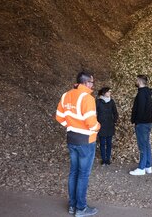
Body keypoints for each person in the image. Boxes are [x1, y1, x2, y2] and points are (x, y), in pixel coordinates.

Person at [56, 71, 100, 217]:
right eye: (92, 82)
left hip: (71, 139)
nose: (93, 85)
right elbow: (91, 122)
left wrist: (71, 126)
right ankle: (81, 208)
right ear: (86, 83)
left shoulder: (66, 95)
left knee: (74, 172)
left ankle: (72, 205)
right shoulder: (87, 98)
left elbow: (59, 117)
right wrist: (97, 127)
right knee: (83, 174)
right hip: (86, 141)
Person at [129, 75, 152, 176]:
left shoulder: (141, 93)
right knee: (146, 144)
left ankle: (142, 168)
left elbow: (140, 109)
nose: (135, 81)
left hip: (142, 123)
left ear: (139, 81)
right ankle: (148, 166)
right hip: (147, 122)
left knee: (142, 146)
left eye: (136, 80)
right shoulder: (147, 93)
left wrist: (136, 120)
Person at [96, 87, 119, 165]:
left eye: (110, 92)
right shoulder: (98, 102)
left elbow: (115, 112)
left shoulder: (112, 102)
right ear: (103, 93)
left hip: (110, 125)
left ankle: (108, 159)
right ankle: (103, 159)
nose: (110, 93)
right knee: (102, 143)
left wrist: (114, 121)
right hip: (101, 125)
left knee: (109, 143)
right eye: (108, 92)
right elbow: (94, 112)